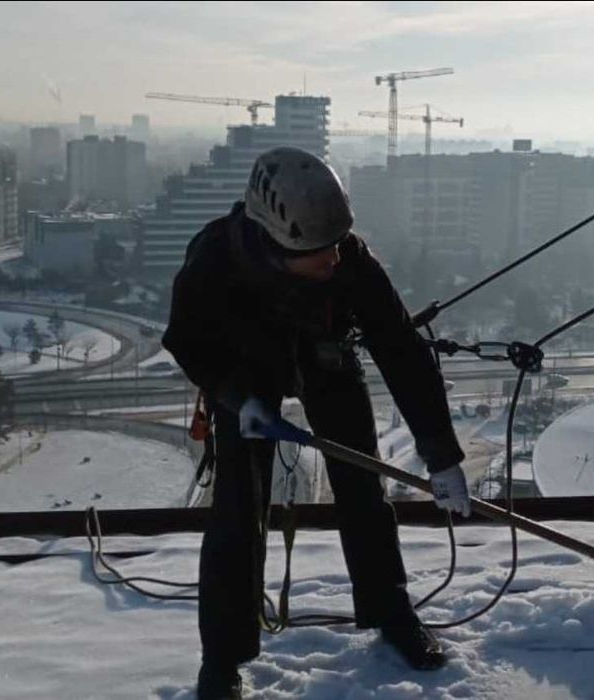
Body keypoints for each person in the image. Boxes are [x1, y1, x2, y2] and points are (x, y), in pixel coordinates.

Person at [162, 147, 471, 700]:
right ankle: (222, 659)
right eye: (319, 252)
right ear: (275, 243)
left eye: (337, 245)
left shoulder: (350, 259)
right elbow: (186, 340)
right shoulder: (216, 261)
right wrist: (235, 398)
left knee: (363, 488)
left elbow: (401, 350)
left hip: (325, 357)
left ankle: (391, 611)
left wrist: (441, 455)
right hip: (242, 368)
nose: (333, 259)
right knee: (238, 507)